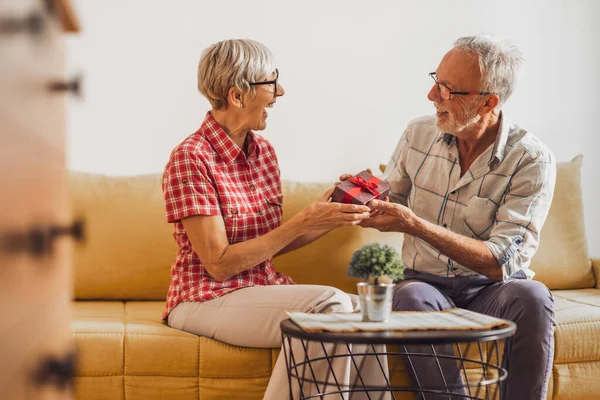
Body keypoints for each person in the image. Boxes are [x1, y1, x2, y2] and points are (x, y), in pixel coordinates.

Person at [161, 39, 385, 400]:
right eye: (271, 82)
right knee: (330, 304)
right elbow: (219, 265)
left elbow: (271, 242)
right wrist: (302, 220)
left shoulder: (263, 152)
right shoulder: (191, 157)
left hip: (258, 288)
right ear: (238, 95)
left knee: (367, 313)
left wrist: (332, 214)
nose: (280, 92)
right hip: (203, 298)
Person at [359, 34, 556, 400]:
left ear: (488, 102)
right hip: (423, 283)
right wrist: (363, 196)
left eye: (449, 90)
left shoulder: (530, 159)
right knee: (411, 296)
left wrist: (415, 224)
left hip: (490, 289)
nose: (433, 96)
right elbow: (392, 196)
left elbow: (502, 262)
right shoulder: (419, 133)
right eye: (436, 81)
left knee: (533, 295)